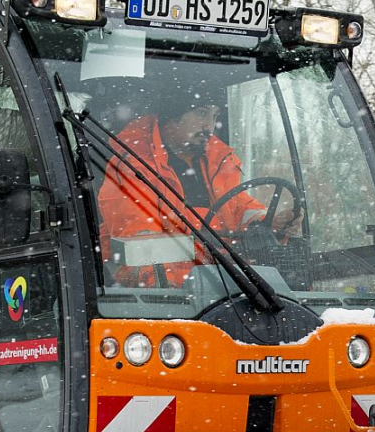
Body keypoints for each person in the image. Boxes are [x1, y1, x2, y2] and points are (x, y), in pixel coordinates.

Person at [97, 83, 302, 286]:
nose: (209, 127)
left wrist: (267, 222)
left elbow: (238, 207)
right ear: (172, 115)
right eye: (201, 113)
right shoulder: (132, 169)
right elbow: (143, 256)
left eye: (214, 117)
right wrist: (190, 288)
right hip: (172, 301)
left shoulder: (217, 163)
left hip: (222, 291)